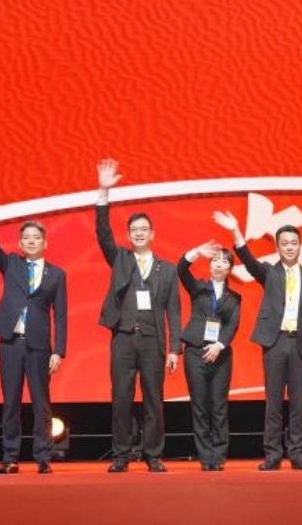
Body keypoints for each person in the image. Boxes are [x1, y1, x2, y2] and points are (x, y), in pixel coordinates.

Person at [213, 211, 302, 471]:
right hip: (275, 344)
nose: (289, 247)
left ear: (300, 245)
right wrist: (235, 231)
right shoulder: (270, 273)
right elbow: (248, 260)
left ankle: (297, 454)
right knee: (273, 403)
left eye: (293, 243)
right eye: (284, 243)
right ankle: (273, 454)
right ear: (277, 247)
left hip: (299, 345)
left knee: (299, 404)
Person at [95, 159, 181, 473]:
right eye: (134, 230)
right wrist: (103, 192)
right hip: (123, 338)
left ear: (152, 234)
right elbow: (103, 233)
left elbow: (174, 310)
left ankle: (153, 454)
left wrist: (174, 349)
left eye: (144, 229)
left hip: (152, 340)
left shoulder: (167, 269)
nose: (139, 234)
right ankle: (121, 454)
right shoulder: (120, 258)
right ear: (129, 235)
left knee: (154, 398)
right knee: (121, 397)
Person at [0, 180, 67, 475]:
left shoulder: (56, 274)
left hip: (39, 345)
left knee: (41, 403)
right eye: (26, 237)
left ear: (45, 243)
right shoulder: (12, 264)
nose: (30, 241)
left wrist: (59, 351)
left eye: (36, 237)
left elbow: (61, 315)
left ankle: (43, 457)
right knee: (10, 402)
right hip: (10, 343)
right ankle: (10, 458)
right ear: (20, 243)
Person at [177, 240, 241, 471]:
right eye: (215, 260)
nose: (218, 264)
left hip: (221, 356)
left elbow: (233, 324)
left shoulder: (234, 297)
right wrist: (196, 252)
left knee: (219, 406)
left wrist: (219, 345)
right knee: (200, 405)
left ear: (230, 268)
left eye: (223, 261)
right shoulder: (199, 288)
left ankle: (219, 456)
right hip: (195, 352)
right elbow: (181, 269)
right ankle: (205, 457)